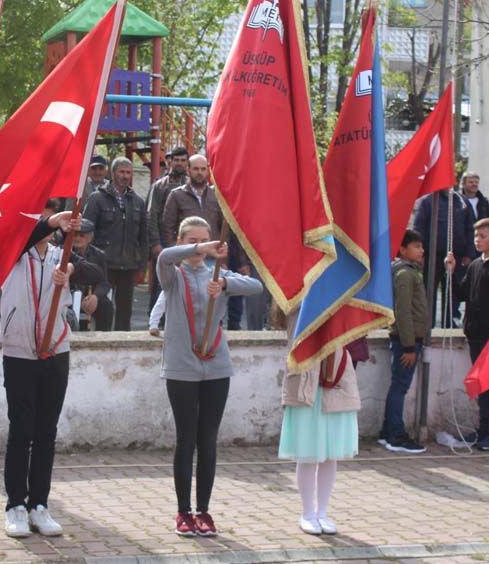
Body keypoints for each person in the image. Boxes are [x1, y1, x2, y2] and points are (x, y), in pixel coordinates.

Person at [156, 216, 262, 536]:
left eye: (205, 240)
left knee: (208, 440)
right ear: (181, 241)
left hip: (216, 366)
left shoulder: (218, 274)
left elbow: (256, 286)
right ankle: (183, 511)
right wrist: (199, 248)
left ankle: (203, 510)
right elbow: (163, 257)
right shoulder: (173, 275)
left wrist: (225, 285)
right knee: (186, 439)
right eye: (193, 241)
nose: (200, 247)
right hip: (181, 366)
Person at [0, 209, 103, 538]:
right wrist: (53, 220)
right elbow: (26, 237)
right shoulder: (13, 252)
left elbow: (97, 271)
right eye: (38, 221)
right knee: (21, 431)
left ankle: (39, 504)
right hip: (20, 352)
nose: (44, 227)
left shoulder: (62, 254)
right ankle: (16, 505)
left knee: (46, 432)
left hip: (56, 351)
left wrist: (70, 269)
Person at [444, 218, 489, 450]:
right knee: (483, 383)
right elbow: (462, 293)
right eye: (476, 236)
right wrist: (452, 271)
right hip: (476, 334)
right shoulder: (476, 264)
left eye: (483, 236)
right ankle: (483, 428)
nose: (477, 240)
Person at [280, 345, 360, 536]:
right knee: (308, 452)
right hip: (306, 376)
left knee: (331, 454)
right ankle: (308, 513)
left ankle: (322, 512)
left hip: (337, 379)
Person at [83, 156, 148, 330]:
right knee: (103, 308)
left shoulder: (138, 202)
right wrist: (88, 261)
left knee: (125, 311)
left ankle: (124, 342)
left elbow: (144, 237)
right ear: (113, 173)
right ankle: (101, 340)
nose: (125, 176)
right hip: (103, 265)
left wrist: (142, 265)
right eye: (122, 172)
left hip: (129, 264)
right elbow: (86, 230)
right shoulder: (97, 198)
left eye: (128, 172)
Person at [379, 229, 428, 454]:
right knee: (400, 386)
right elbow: (403, 311)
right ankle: (396, 435)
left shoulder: (409, 271)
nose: (421, 250)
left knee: (398, 385)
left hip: (407, 339)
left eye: (421, 246)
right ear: (402, 249)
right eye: (416, 246)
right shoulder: (405, 274)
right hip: (406, 341)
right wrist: (409, 346)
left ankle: (387, 431)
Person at [413, 189, 473, 326]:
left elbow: (470, 228)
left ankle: (449, 324)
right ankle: (427, 325)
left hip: (456, 256)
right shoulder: (428, 201)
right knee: (429, 292)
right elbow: (419, 228)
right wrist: (419, 253)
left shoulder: (462, 201)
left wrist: (469, 253)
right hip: (432, 256)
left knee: (452, 292)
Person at [147, 147, 189, 308]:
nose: (179, 163)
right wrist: (156, 243)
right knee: (161, 285)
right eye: (176, 160)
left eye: (183, 160)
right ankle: (156, 319)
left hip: (186, 244)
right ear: (170, 161)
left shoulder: (190, 185)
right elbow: (151, 215)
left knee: (185, 284)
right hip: (164, 244)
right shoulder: (159, 186)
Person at [161, 154, 223, 247]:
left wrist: (221, 250)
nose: (199, 172)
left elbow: (224, 228)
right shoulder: (176, 195)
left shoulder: (217, 196)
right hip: (186, 252)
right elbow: (167, 229)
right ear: (188, 170)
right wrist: (174, 251)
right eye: (196, 169)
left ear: (207, 171)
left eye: (203, 169)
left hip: (212, 252)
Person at [67, 218, 113, 331]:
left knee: (106, 305)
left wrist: (95, 296)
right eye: (75, 235)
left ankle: (103, 337)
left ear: (90, 238)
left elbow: (104, 282)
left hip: (90, 294)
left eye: (82, 236)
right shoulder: (64, 252)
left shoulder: (99, 255)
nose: (77, 238)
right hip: (69, 294)